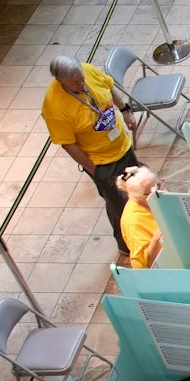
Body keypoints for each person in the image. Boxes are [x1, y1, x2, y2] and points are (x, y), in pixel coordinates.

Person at [42, 55, 141, 253]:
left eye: (82, 78)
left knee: (137, 190)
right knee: (119, 206)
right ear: (60, 81)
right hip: (102, 162)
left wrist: (125, 110)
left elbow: (109, 87)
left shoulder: (87, 70)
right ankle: (127, 245)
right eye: (75, 83)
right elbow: (68, 144)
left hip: (122, 146)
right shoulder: (54, 106)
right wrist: (95, 171)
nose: (81, 83)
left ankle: (144, 229)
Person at [117, 165, 163, 269]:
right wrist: (161, 231)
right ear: (139, 197)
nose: (161, 191)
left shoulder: (157, 193)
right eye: (154, 191)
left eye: (159, 185)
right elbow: (149, 262)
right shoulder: (133, 222)